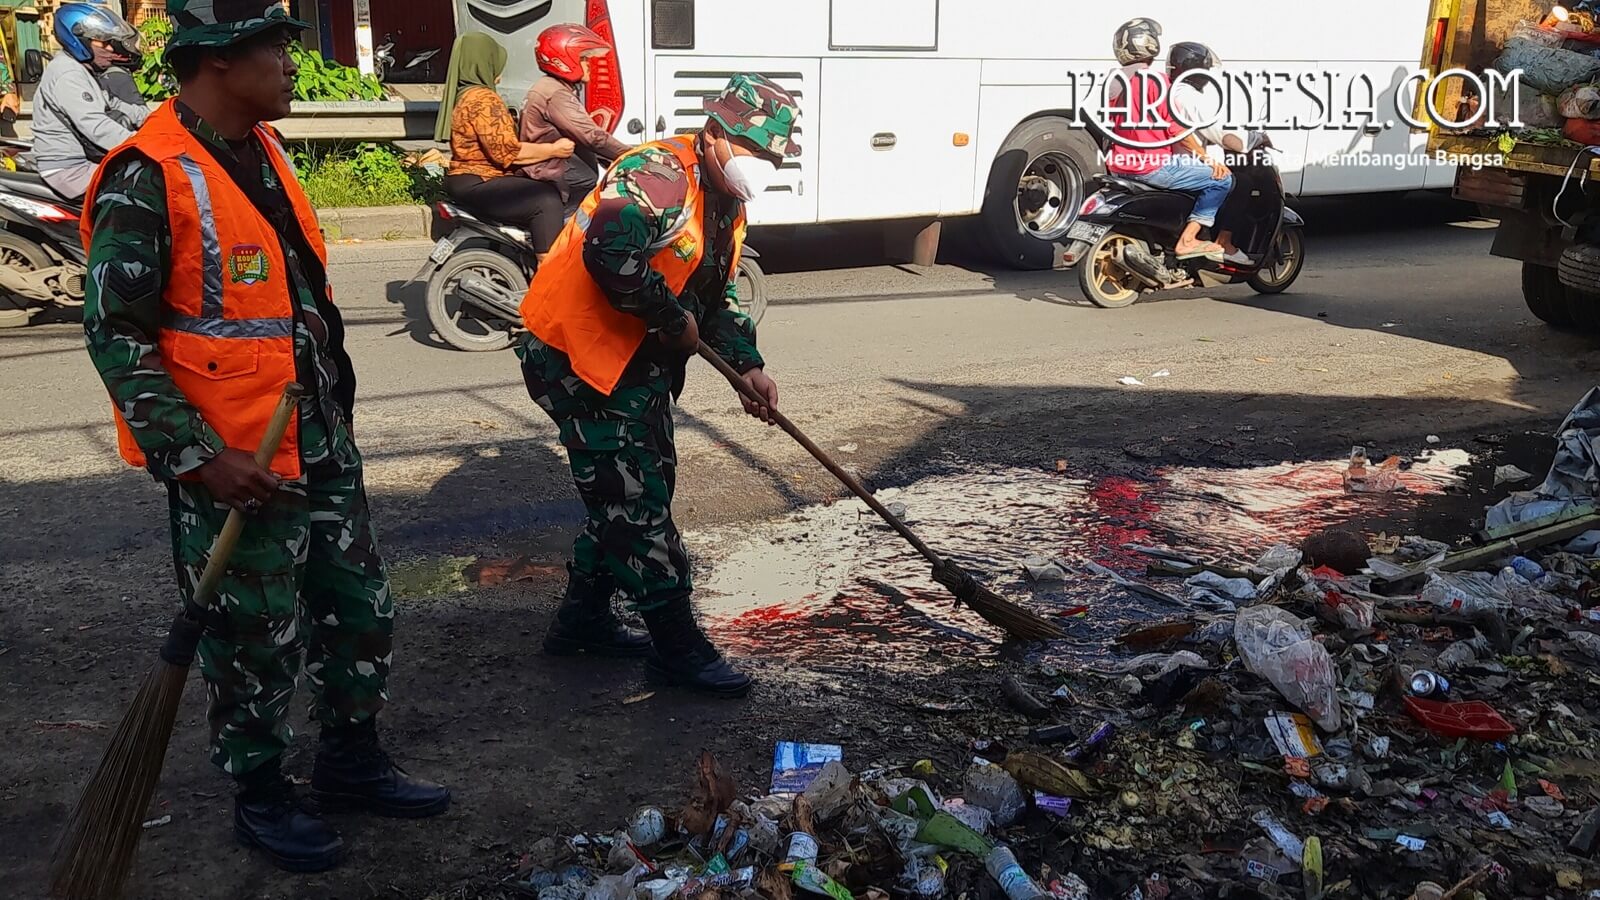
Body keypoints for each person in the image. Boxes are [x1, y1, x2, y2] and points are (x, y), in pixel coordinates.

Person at [81, 0, 449, 873]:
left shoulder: (269, 154)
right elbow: (116, 335)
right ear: (214, 63)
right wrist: (199, 458)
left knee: (360, 613)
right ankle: (262, 794)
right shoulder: (149, 174)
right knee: (253, 640)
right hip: (233, 460)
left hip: (314, 436)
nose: (292, 65)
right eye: (275, 50)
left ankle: (351, 762)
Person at [516, 73, 798, 697]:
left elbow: (714, 295)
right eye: (755, 149)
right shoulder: (658, 175)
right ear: (719, 133)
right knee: (636, 503)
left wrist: (747, 365)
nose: (763, 166)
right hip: (577, 356)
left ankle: (583, 620)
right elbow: (609, 257)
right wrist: (672, 322)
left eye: (772, 157)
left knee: (633, 489)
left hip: (632, 360)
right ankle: (676, 647)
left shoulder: (725, 203)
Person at [434, 32, 576, 259]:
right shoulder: (484, 99)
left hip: (464, 180)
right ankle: (547, 276)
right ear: (485, 62)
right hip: (479, 181)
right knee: (546, 200)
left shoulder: (464, 95)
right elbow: (508, 152)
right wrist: (554, 149)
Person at [1103, 39, 1233, 260]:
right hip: (1153, 166)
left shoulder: (1114, 81)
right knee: (1222, 180)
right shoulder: (1158, 82)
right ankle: (1188, 240)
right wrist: (1207, 159)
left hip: (1118, 166)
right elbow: (1178, 131)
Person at [32, 2, 150, 200]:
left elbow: (115, 104)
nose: (111, 48)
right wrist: (144, 145)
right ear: (79, 41)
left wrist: (160, 118)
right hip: (69, 169)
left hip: (83, 161)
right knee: (142, 191)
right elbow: (96, 126)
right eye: (103, 43)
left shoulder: (84, 70)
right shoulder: (68, 74)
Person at [518, 23, 631, 215]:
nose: (589, 65)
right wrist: (635, 154)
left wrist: (608, 156)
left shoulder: (550, 87)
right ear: (565, 59)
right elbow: (592, 136)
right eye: (584, 59)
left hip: (555, 175)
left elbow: (576, 135)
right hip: (558, 180)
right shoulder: (555, 93)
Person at [1165, 42, 1250, 263]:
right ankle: (1222, 243)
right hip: (1182, 163)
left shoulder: (1165, 91)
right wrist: (1247, 141)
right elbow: (1219, 133)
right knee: (1232, 182)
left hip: (1156, 160)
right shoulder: (1191, 98)